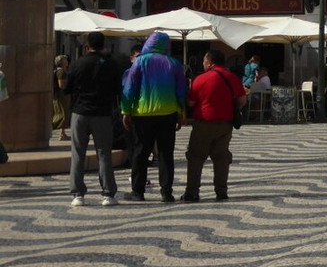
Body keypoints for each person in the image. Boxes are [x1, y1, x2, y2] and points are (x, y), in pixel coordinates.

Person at [121, 31, 187, 203]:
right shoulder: (173, 63)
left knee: (140, 153)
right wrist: (181, 111)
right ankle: (166, 192)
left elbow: (130, 87)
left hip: (143, 113)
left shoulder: (140, 61)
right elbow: (181, 90)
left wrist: (126, 111)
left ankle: (138, 191)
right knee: (166, 153)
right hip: (168, 113)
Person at [64, 32, 123, 207]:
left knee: (78, 154)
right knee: (104, 154)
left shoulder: (77, 64)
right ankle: (108, 194)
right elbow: (118, 89)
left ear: (87, 46)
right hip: (102, 114)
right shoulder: (111, 65)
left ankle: (78, 194)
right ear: (103, 45)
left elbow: (67, 89)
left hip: (80, 113)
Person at [182, 49, 245, 203]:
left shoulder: (200, 79)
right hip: (225, 124)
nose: (203, 63)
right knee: (221, 158)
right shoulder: (233, 78)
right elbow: (242, 101)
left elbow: (190, 102)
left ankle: (192, 192)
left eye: (204, 61)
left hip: (203, 123)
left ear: (209, 62)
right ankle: (221, 191)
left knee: (196, 157)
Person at [54, 54, 71, 141]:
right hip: (62, 96)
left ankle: (63, 133)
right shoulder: (61, 72)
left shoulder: (60, 71)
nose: (67, 61)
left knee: (62, 113)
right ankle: (61, 134)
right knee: (63, 114)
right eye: (65, 60)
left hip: (60, 95)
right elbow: (61, 85)